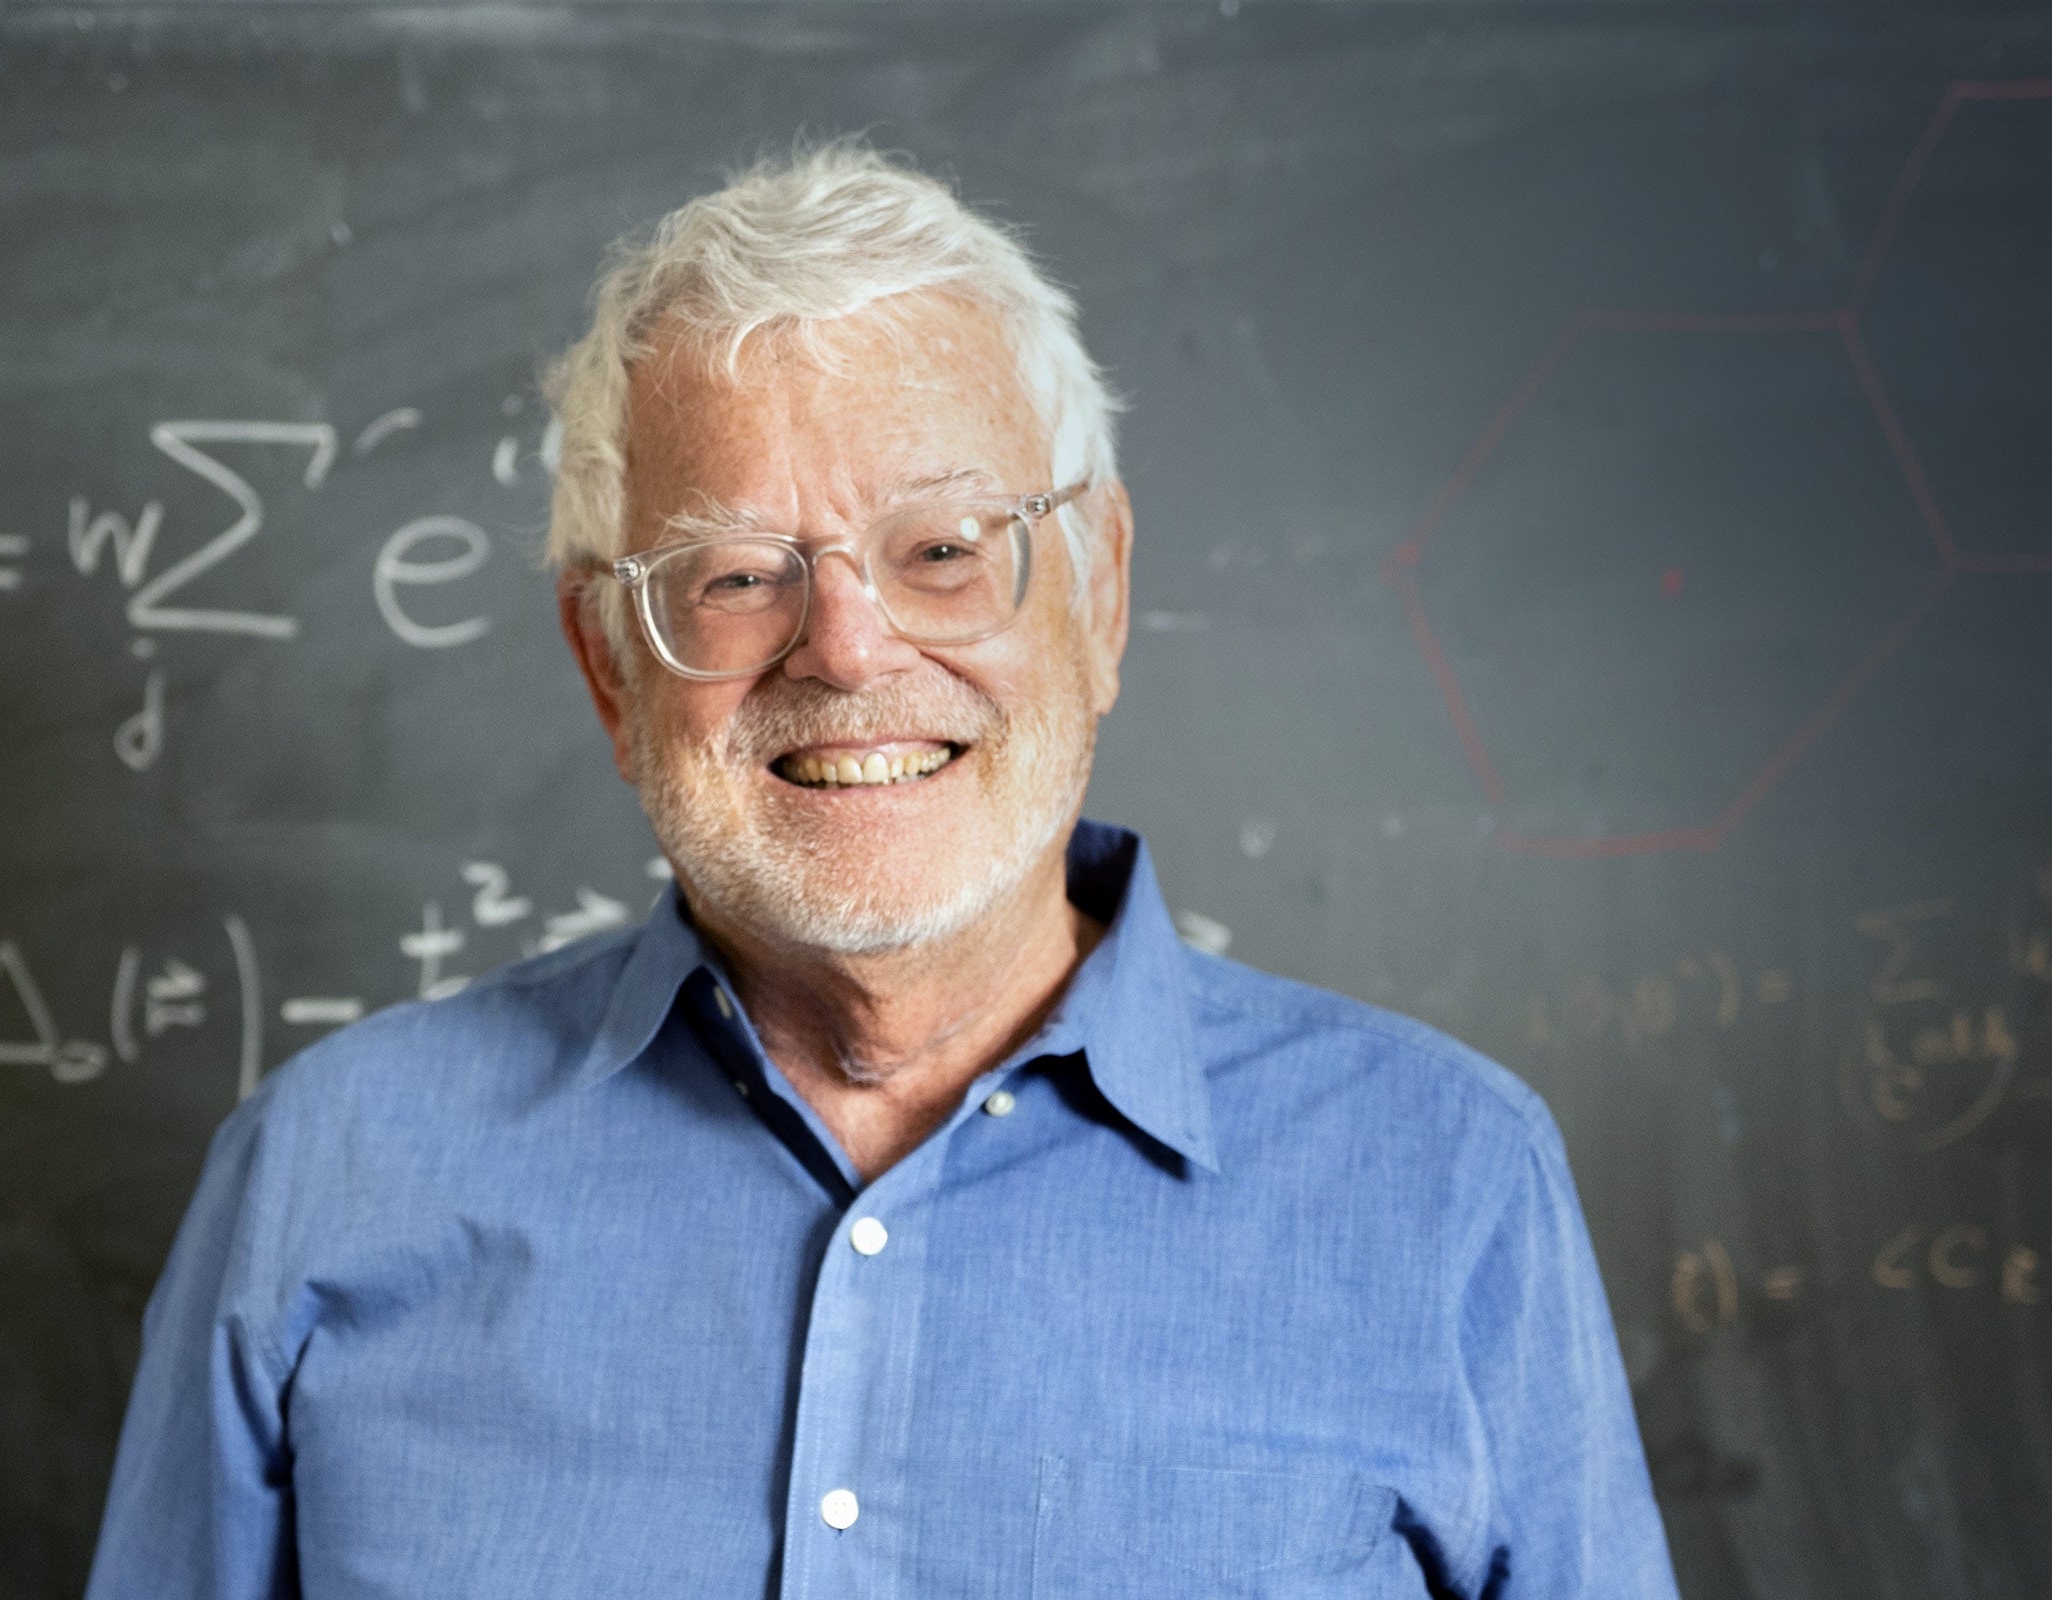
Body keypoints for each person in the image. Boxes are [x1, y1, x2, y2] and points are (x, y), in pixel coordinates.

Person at [85, 143, 1678, 1600]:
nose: (846, 650)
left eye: (941, 549)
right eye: (734, 576)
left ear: (1101, 591)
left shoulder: (1448, 1186)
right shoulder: (325, 1184)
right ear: (605, 666)